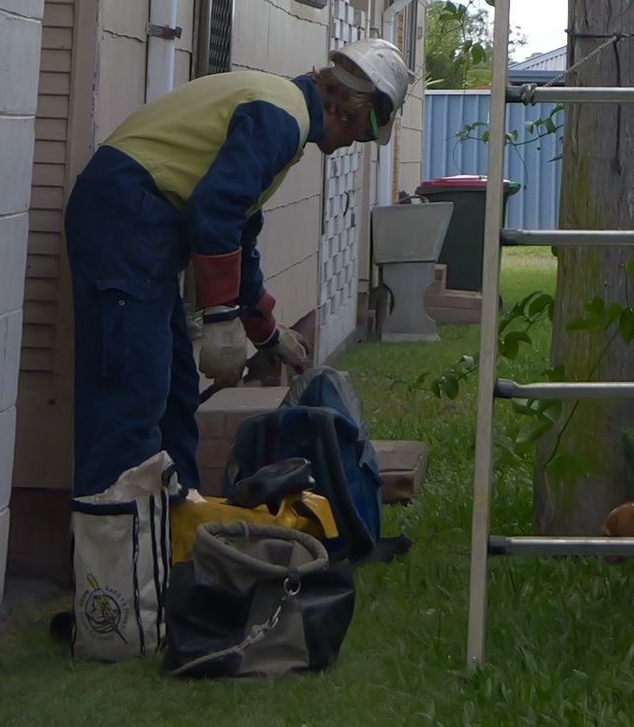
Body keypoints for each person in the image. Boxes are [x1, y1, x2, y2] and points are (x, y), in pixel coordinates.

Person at [65, 37, 412, 497]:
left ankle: (174, 535)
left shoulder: (284, 112)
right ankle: (114, 554)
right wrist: (221, 319)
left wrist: (265, 331)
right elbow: (215, 210)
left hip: (138, 221)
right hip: (124, 217)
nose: (355, 144)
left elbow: (240, 230)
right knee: (134, 393)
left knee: (176, 390)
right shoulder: (281, 119)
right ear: (350, 111)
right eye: (366, 134)